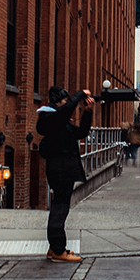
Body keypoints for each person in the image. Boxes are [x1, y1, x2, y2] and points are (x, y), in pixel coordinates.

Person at [36, 86, 94, 263]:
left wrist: (88, 112)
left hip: (65, 170)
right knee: (59, 209)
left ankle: (55, 248)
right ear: (57, 103)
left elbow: (81, 132)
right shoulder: (48, 117)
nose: (68, 106)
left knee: (60, 208)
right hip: (59, 170)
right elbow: (64, 112)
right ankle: (58, 250)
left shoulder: (60, 122)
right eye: (65, 102)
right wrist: (78, 96)